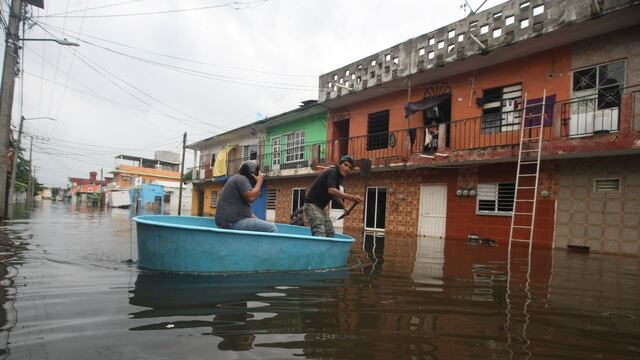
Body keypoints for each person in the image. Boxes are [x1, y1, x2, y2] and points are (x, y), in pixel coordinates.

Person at [303, 155, 362, 237]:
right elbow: (332, 191)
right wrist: (352, 198)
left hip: (321, 208)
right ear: (340, 164)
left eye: (350, 167)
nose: (347, 168)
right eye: (345, 165)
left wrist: (344, 207)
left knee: (330, 233)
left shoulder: (339, 178)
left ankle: (329, 249)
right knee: (320, 232)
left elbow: (334, 195)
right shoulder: (333, 172)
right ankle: (318, 249)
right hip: (311, 205)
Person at [215, 160, 277, 233]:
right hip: (233, 222)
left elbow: (250, 213)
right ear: (253, 174)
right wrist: (259, 182)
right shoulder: (241, 178)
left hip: (229, 221)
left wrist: (260, 222)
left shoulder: (236, 180)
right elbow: (251, 198)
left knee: (265, 226)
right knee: (271, 228)